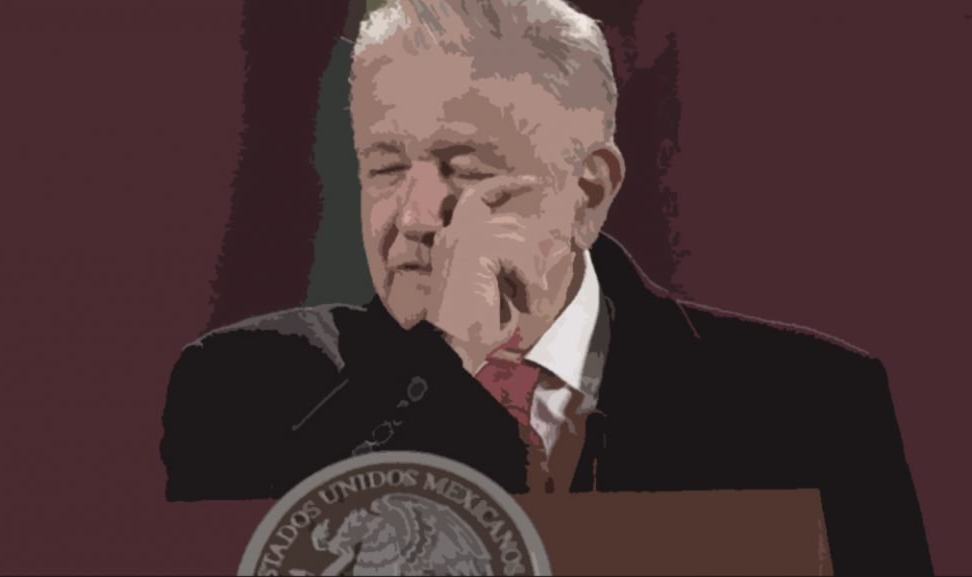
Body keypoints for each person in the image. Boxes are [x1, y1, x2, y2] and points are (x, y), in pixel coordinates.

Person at [160, 0, 932, 572]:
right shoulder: (245, 387)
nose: (416, 215)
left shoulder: (816, 403)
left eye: (467, 168)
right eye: (386, 167)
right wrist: (446, 365)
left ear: (588, 192)